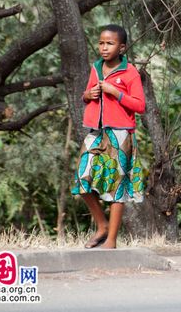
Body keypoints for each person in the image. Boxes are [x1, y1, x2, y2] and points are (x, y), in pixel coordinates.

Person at [71, 24, 145, 249]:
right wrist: (87, 94)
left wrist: (117, 93)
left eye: (110, 43)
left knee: (116, 186)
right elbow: (87, 94)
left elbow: (140, 105)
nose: (104, 47)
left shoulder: (130, 71)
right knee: (82, 180)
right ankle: (101, 225)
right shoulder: (95, 68)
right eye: (101, 43)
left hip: (120, 134)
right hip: (96, 132)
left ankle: (111, 240)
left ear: (121, 47)